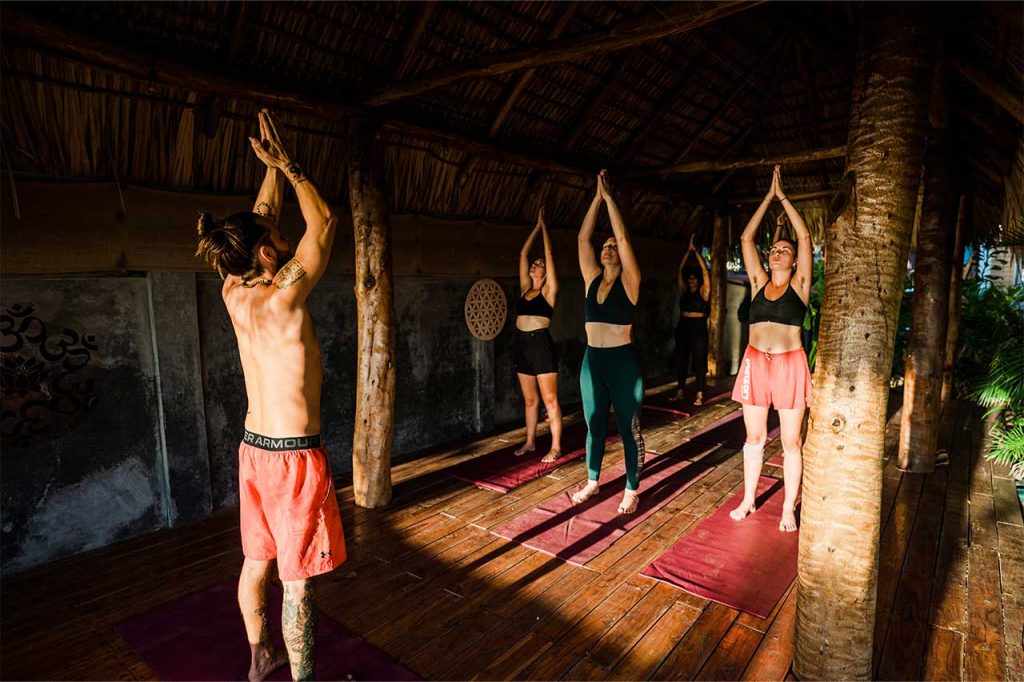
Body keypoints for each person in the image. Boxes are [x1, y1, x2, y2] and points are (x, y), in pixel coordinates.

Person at [195, 109, 344, 681]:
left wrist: (271, 172)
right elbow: (323, 222)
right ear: (265, 254)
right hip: (294, 459)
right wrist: (293, 167)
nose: (283, 236)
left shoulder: (233, 288)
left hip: (254, 450)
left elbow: (262, 221)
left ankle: (260, 661)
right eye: (277, 239)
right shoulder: (284, 295)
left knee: (256, 560)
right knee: (297, 581)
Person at [730, 165, 812, 532]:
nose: (778, 253)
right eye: (775, 249)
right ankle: (748, 499)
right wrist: (767, 198)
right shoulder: (758, 282)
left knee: (791, 442)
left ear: (794, 260)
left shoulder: (800, 285)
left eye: (785, 251)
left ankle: (788, 509)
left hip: (789, 365)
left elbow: (805, 236)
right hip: (755, 363)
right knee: (754, 437)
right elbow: (747, 238)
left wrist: (783, 197)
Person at [571, 170, 646, 515]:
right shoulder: (591, 279)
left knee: (629, 428)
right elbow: (582, 239)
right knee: (594, 424)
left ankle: (631, 489)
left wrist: (610, 200)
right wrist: (596, 198)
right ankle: (592, 480)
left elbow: (624, 239)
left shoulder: (630, 281)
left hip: (621, 363)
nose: (608, 248)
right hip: (593, 362)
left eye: (613, 246)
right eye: (605, 246)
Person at [512, 208, 563, 462]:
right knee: (530, 400)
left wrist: (544, 228)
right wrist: (535, 225)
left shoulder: (549, 291)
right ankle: (530, 442)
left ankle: (555, 446)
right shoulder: (524, 288)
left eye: (540, 264)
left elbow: (549, 254)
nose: (535, 264)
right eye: (535, 263)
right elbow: (523, 253)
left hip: (540, 343)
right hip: (521, 345)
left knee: (549, 399)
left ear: (546, 274)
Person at [669, 234, 711, 406]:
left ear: (698, 280)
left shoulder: (703, 292)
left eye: (694, 277)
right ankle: (680, 391)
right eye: (690, 277)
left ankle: (699, 394)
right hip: (683, 326)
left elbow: (705, 273)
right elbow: (679, 271)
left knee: (699, 361)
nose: (691, 279)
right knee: (681, 359)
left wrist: (698, 255)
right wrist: (688, 253)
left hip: (698, 327)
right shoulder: (683, 291)